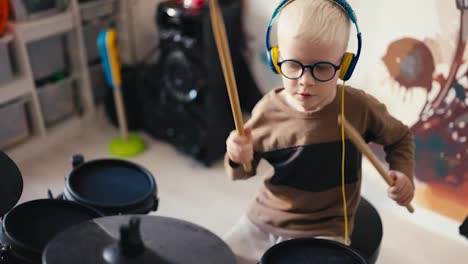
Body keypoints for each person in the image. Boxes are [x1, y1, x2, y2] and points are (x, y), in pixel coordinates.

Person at [223, 0, 415, 263]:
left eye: (322, 68)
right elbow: (242, 172)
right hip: (263, 220)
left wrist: (403, 173)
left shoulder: (358, 108)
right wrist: (237, 155)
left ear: (344, 65)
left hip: (326, 227)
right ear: (276, 58)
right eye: (293, 64)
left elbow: (400, 137)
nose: (305, 81)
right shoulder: (267, 111)